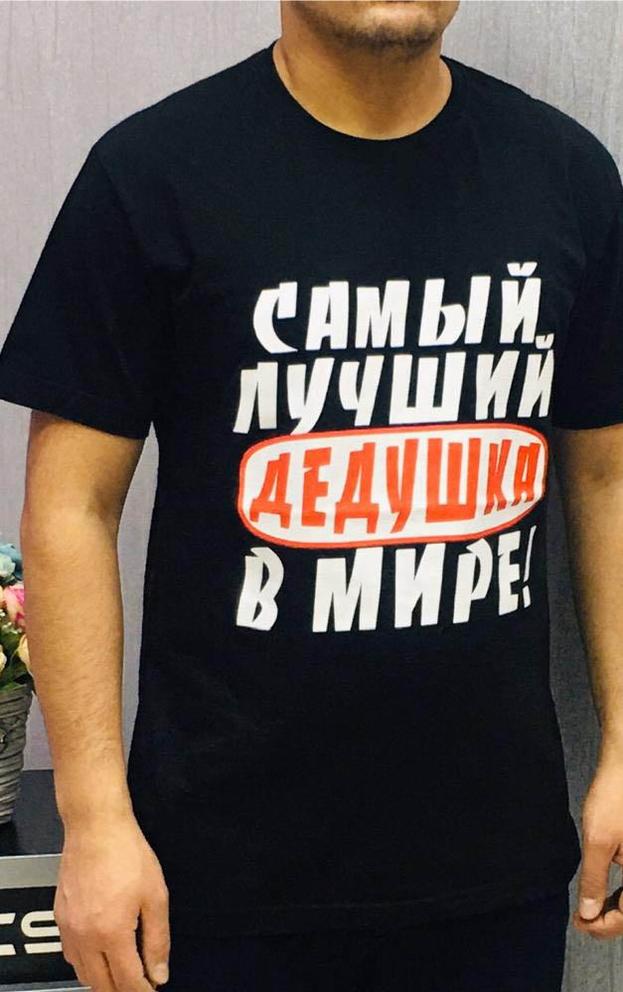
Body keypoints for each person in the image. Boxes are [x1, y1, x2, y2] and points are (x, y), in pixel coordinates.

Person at [1, 0, 623, 988]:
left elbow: (603, 475)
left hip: (492, 866)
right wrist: (95, 818)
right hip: (218, 874)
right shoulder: (152, 175)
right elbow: (70, 508)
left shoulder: (566, 175)